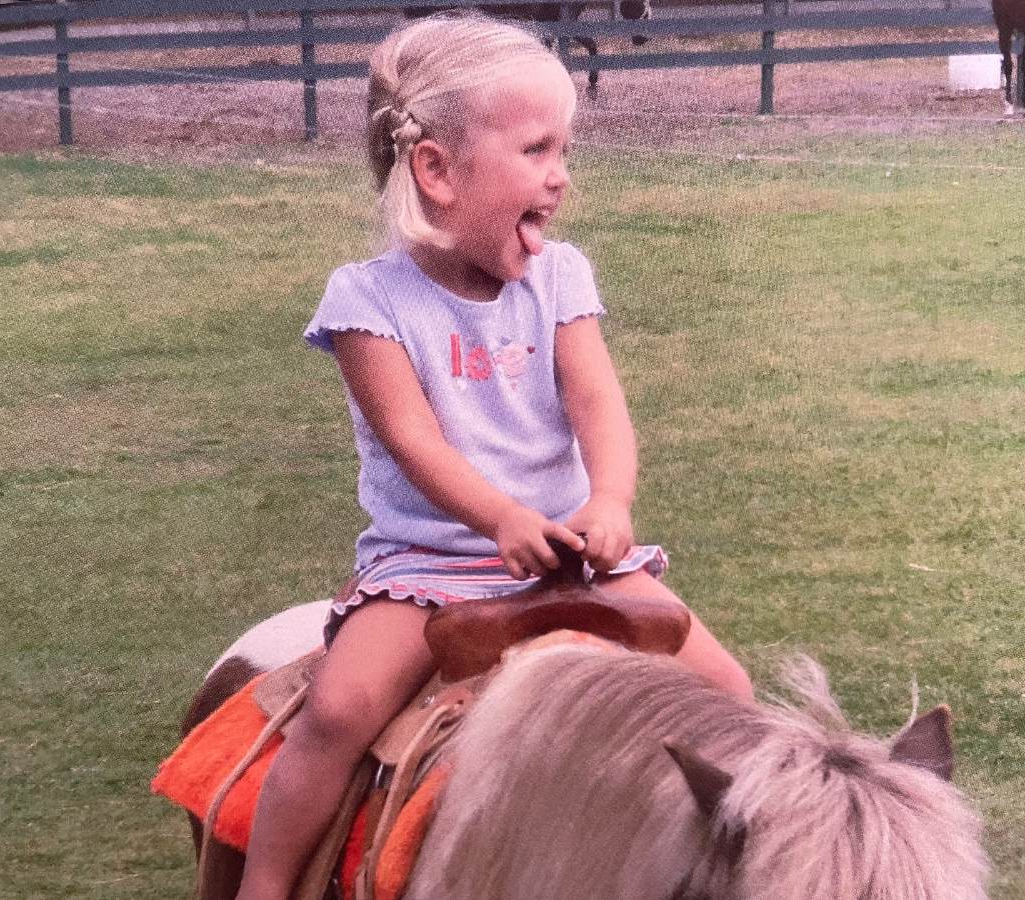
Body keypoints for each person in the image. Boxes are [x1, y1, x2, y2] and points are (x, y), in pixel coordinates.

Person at [235, 13, 752, 900]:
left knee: (729, 691)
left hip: (572, 555)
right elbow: (414, 442)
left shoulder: (560, 277)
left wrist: (609, 503)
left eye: (564, 150)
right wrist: (501, 518)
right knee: (340, 712)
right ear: (437, 171)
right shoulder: (367, 302)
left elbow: (598, 403)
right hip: (431, 565)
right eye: (537, 149)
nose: (561, 175)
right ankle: (266, 884)